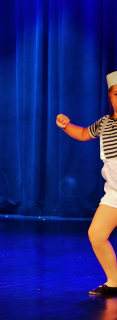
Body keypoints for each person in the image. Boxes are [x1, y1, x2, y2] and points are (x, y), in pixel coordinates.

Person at [57, 71, 117, 296]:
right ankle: (114, 282)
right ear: (109, 96)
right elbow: (83, 134)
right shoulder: (104, 123)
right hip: (114, 192)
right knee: (97, 234)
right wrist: (66, 125)